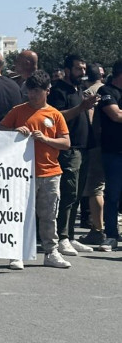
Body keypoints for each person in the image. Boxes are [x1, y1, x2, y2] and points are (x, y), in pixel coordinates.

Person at [0, 70, 71, 269]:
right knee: (19, 214)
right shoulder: (18, 110)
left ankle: (51, 252)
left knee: (49, 215)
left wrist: (46, 139)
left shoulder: (55, 114)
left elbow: (66, 143)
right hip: (22, 173)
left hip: (50, 172)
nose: (32, 95)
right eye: (30, 91)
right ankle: (16, 252)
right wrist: (14, 132)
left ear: (47, 91)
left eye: (36, 91)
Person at [47, 55, 98, 257]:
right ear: (67, 70)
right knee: (67, 193)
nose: (82, 72)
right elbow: (56, 117)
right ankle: (61, 238)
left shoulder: (78, 89)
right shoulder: (58, 90)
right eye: (78, 69)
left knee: (77, 194)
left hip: (84, 147)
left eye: (84, 68)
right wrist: (81, 107)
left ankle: (70, 235)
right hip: (69, 149)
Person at [95, 61, 122, 252]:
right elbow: (115, 115)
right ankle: (111, 235)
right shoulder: (107, 90)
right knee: (112, 195)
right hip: (114, 152)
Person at [79, 62, 106, 246]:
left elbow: (90, 121)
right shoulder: (110, 89)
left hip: (96, 146)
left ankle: (98, 229)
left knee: (95, 189)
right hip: (112, 147)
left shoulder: (89, 93)